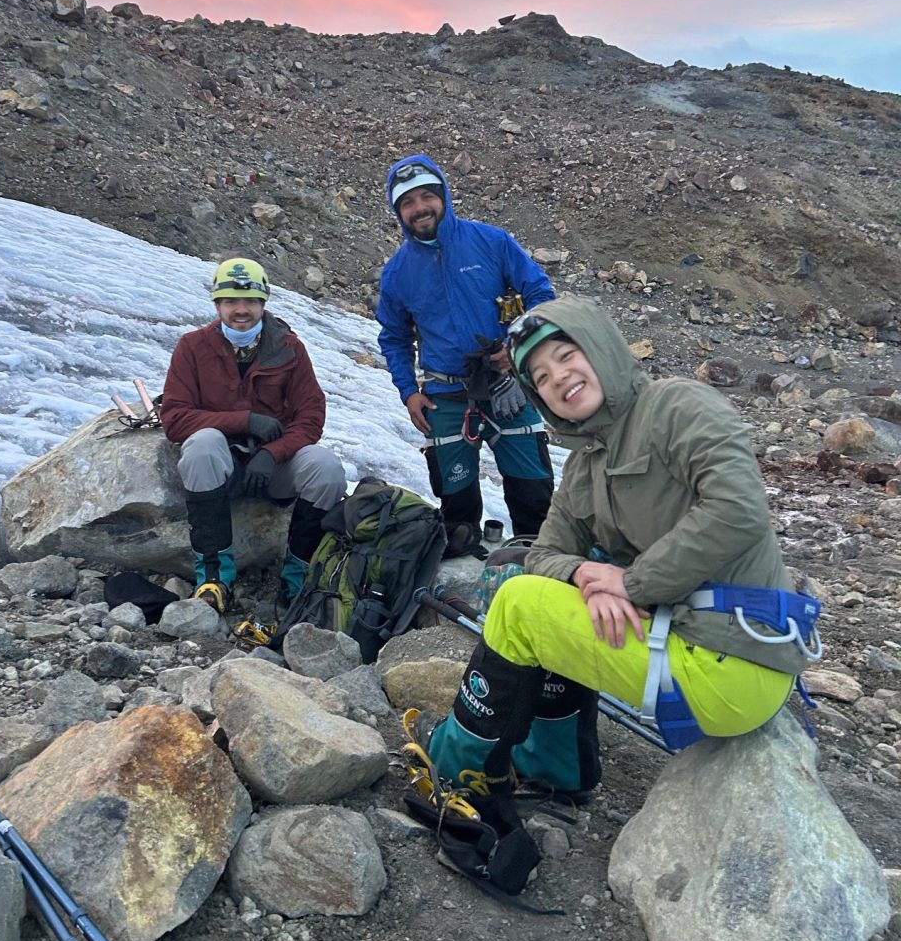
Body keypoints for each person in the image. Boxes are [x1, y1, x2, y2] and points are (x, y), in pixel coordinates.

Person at [411, 294, 821, 822]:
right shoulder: (586, 465)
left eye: (566, 355)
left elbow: (738, 510)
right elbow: (544, 553)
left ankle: (456, 767)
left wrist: (632, 583)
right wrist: (584, 574)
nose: (558, 377)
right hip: (687, 645)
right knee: (544, 592)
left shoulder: (678, 408)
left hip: (733, 666)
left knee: (517, 604)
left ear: (601, 348)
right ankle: (557, 773)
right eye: (541, 377)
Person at [376, 155, 556, 556]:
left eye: (427, 196)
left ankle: (540, 564)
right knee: (456, 508)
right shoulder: (398, 273)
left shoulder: (491, 242)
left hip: (507, 382)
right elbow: (394, 337)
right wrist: (408, 392)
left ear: (444, 196)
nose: (419, 208)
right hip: (445, 394)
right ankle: (463, 570)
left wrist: (519, 348)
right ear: (398, 212)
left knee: (534, 497)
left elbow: (540, 294)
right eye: (407, 202)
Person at [161, 257, 346, 613]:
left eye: (250, 301)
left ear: (264, 303)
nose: (241, 310)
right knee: (202, 444)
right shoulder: (193, 347)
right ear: (217, 304)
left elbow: (311, 417)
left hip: (273, 470)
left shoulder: (289, 348)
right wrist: (244, 421)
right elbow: (175, 418)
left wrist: (273, 452)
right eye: (231, 301)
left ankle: (298, 582)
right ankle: (214, 579)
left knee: (326, 468)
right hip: (222, 466)